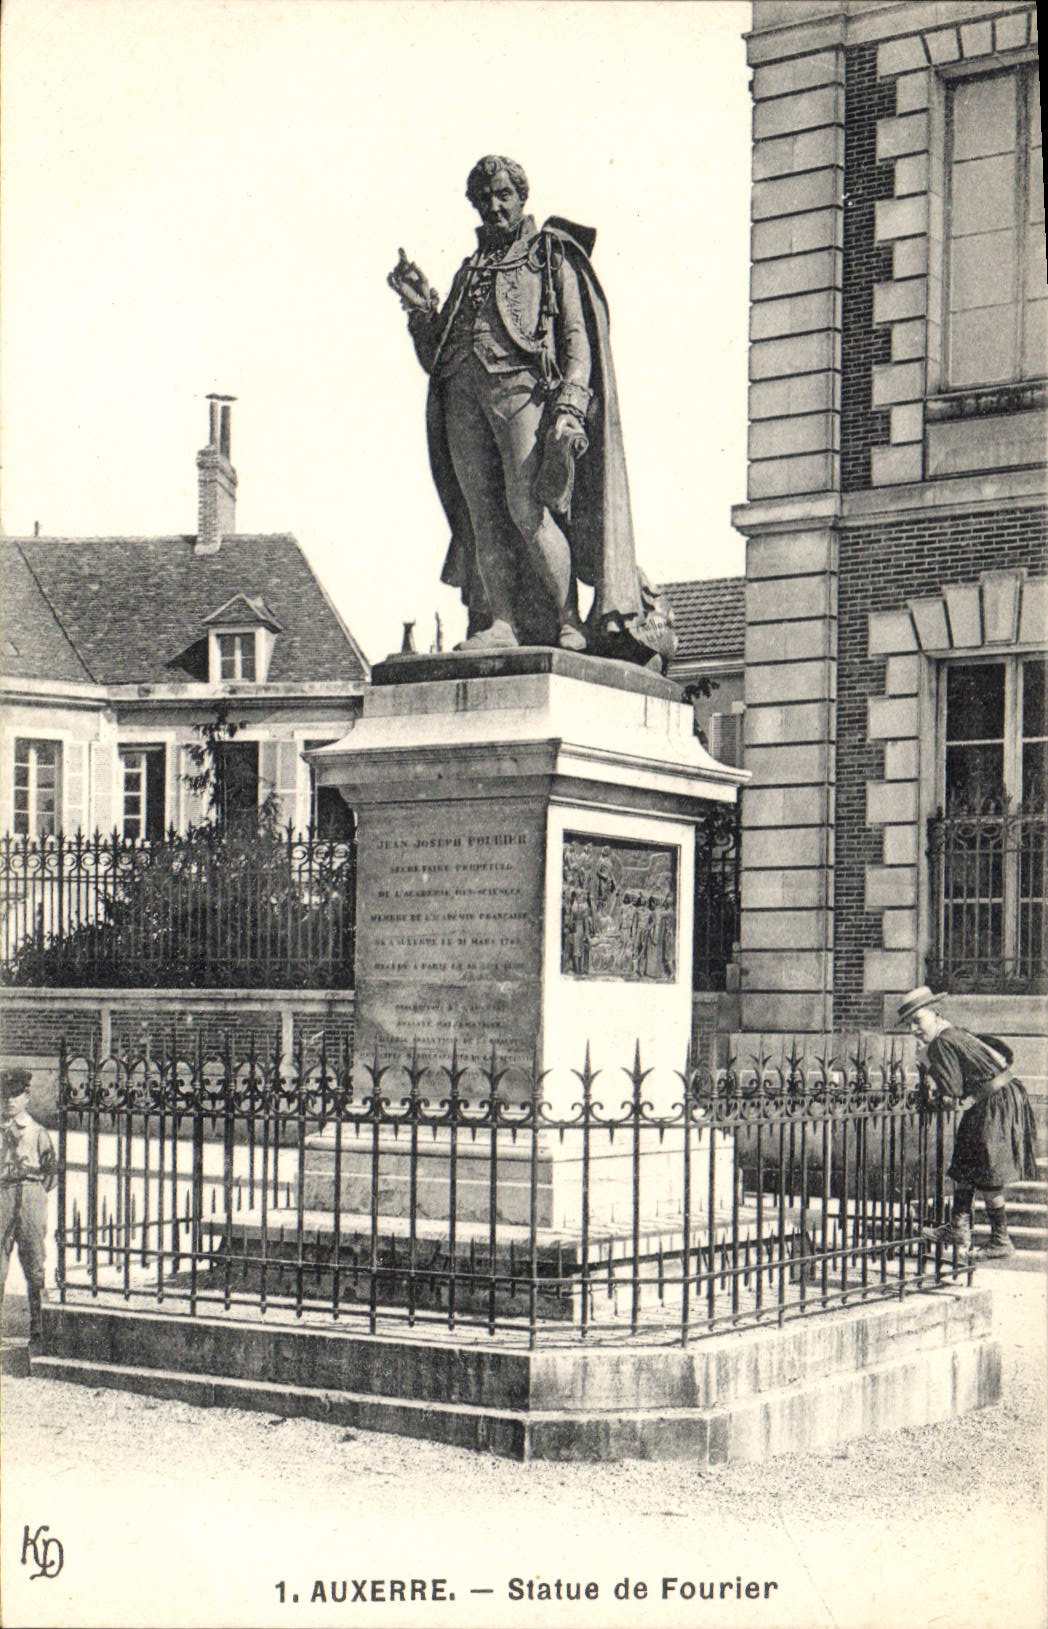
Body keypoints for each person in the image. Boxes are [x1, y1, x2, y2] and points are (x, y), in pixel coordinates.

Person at [388, 155, 671, 664]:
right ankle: (502, 620)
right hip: (462, 396)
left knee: (528, 508)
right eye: (484, 198)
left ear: (522, 198)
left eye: (503, 195)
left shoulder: (550, 255)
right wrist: (419, 311)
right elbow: (436, 355)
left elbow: (577, 340)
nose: (494, 206)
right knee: (482, 516)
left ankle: (567, 620)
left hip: (523, 395)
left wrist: (571, 406)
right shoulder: (468, 270)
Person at [899, 986, 1039, 1260]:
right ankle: (958, 1227)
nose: (914, 1030)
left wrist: (925, 1061)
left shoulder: (941, 1042)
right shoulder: (953, 1033)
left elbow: (951, 1093)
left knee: (987, 1169)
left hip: (995, 1101)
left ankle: (1000, 1240)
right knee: (965, 1159)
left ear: (936, 1015)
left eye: (918, 1021)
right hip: (992, 1098)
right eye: (909, 1025)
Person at [1, 1067, 56, 1340]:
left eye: (16, 1095)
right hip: (2, 1194)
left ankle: (38, 1327)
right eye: (4, 1095)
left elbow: (51, 1171)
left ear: (27, 1097)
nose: (9, 1101)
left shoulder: (37, 1131)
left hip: (31, 1194)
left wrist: (34, 1195)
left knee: (34, 1262)